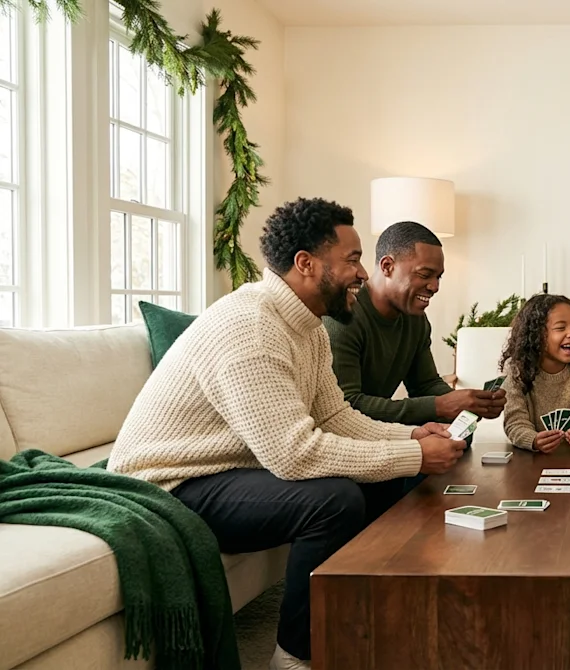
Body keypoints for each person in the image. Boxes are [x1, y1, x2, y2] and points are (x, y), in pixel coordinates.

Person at [107, 197, 468, 670]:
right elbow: (294, 455)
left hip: (227, 470)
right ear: (306, 263)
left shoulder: (308, 327)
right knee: (334, 500)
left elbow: (335, 416)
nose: (362, 273)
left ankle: (360, 616)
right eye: (353, 260)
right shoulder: (252, 326)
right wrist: (415, 457)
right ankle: (295, 654)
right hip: (170, 483)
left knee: (382, 479)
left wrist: (412, 438)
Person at [324, 220, 505, 427]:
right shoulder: (343, 317)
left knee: (460, 440)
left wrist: (470, 403)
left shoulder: (415, 319)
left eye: (438, 277)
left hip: (380, 434)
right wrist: (439, 406)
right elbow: (346, 407)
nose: (434, 286)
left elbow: (425, 385)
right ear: (387, 266)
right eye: (425, 275)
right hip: (343, 438)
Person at [499, 294, 570, 453]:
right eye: (561, 328)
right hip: (531, 458)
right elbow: (515, 423)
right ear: (536, 335)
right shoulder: (516, 372)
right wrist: (534, 440)